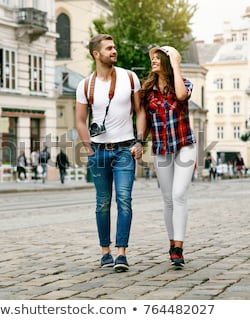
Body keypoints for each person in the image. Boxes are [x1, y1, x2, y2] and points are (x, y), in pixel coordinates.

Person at [75, 34, 146, 272]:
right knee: (102, 203)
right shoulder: (85, 85)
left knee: (124, 200)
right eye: (109, 48)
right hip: (99, 152)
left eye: (115, 47)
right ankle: (105, 252)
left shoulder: (129, 77)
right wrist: (88, 149)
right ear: (97, 54)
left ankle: (121, 253)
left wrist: (140, 141)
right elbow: (80, 120)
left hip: (125, 149)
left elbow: (140, 111)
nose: (114, 51)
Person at [139, 45, 196, 269]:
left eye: (157, 58)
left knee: (179, 193)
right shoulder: (147, 91)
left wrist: (175, 64)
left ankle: (179, 248)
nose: (153, 61)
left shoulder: (183, 83)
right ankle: (172, 243)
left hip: (185, 145)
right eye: (152, 59)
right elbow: (143, 120)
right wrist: (139, 141)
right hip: (161, 149)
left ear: (168, 60)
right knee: (167, 198)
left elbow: (181, 96)